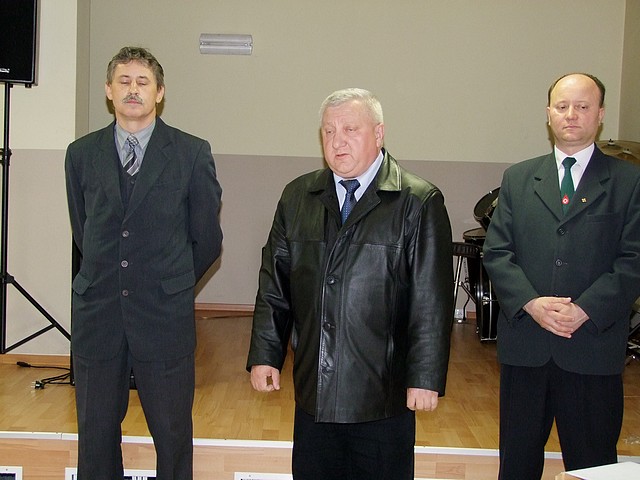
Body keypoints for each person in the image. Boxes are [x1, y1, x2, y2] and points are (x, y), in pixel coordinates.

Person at [246, 88, 453, 479]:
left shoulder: (417, 201)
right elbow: (274, 285)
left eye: (350, 130)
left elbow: (431, 301)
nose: (337, 141)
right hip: (314, 391)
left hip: (383, 398)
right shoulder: (297, 197)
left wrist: (425, 377)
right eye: (328, 131)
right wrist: (265, 353)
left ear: (379, 134)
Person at [64, 46, 223, 480]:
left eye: (142, 82)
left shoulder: (191, 153)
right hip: (98, 316)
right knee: (95, 435)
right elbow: (83, 230)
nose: (133, 90)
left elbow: (207, 239)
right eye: (124, 81)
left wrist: (172, 282)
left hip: (163, 315)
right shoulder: (80, 154)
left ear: (159, 92)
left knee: (172, 436)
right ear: (108, 90)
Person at [483, 73, 640, 479]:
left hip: (591, 349)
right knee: (517, 464)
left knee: (592, 466)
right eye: (562, 106)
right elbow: (497, 252)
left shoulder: (629, 182)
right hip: (527, 348)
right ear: (548, 114)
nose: (571, 115)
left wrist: (586, 309)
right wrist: (531, 303)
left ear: (600, 115)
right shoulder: (518, 178)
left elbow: (634, 259)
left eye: (583, 107)